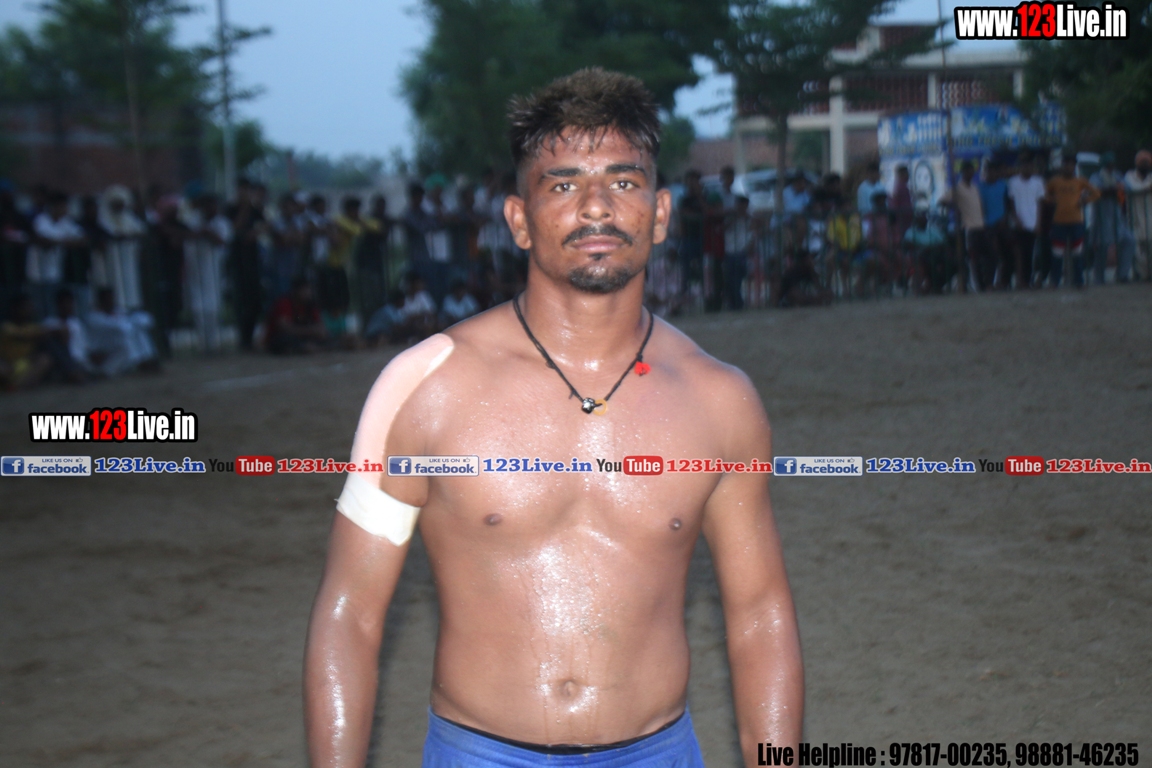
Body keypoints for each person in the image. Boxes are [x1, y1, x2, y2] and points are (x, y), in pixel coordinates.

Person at [304, 67, 802, 768]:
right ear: (519, 220)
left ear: (660, 213)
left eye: (623, 181)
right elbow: (350, 612)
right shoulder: (424, 387)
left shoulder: (720, 400)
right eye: (563, 185)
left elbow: (760, 615)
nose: (596, 207)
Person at [182, 194, 231, 353]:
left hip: (213, 271)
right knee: (198, 308)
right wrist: (200, 231)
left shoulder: (222, 222)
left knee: (213, 308)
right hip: (195, 271)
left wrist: (207, 232)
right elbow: (186, 236)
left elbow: (221, 241)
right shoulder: (193, 220)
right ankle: (202, 342)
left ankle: (213, 342)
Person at [28, 191, 86, 319]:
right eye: (62, 206)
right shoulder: (41, 220)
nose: (65, 209)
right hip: (38, 274)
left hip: (56, 273)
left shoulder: (65, 222)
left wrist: (63, 242)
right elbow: (44, 240)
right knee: (41, 309)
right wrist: (65, 242)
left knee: (54, 308)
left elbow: (82, 238)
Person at [1044, 154, 1100, 288]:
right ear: (1062, 166)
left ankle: (1078, 281)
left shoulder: (1080, 181)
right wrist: (1051, 200)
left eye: (1071, 165)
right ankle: (1055, 281)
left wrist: (1084, 200)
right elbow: (1044, 194)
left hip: (1076, 221)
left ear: (1074, 167)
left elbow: (1096, 193)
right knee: (1057, 253)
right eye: (1066, 164)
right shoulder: (1055, 181)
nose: (1068, 167)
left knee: (1077, 253)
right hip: (1059, 221)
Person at [85, 286, 159, 375]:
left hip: (116, 348)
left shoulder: (117, 311)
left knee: (139, 332)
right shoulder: (94, 317)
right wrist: (126, 320)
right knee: (125, 341)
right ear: (101, 301)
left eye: (112, 298)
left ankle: (146, 359)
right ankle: (137, 364)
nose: (111, 302)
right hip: (102, 351)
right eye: (107, 299)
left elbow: (146, 321)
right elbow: (120, 328)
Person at [939, 160, 987, 292]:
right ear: (962, 172)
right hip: (968, 227)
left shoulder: (975, 188)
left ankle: (984, 284)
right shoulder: (957, 188)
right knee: (972, 257)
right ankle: (975, 285)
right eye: (967, 171)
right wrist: (955, 207)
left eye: (972, 171)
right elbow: (942, 201)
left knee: (983, 256)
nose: (970, 174)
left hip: (981, 226)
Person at [1088, 152, 1135, 284]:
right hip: (1101, 218)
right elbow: (1096, 190)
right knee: (1101, 247)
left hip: (1118, 219)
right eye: (1109, 163)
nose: (1111, 166)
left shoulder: (1117, 175)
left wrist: (1116, 189)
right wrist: (1113, 190)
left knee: (1129, 241)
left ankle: (1122, 275)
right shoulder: (1096, 176)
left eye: (1112, 163)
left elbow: (1128, 188)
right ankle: (1098, 278)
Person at [98, 185, 147, 310]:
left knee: (131, 283)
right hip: (112, 260)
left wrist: (131, 235)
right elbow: (110, 232)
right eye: (116, 204)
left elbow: (140, 230)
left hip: (129, 259)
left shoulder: (128, 217)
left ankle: (132, 307)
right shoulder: (105, 218)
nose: (119, 207)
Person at [1007, 154, 1045, 289]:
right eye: (1024, 165)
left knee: (1029, 253)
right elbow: (1011, 202)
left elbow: (1040, 203)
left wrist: (1038, 223)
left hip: (1032, 223)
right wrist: (1016, 219)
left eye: (1029, 165)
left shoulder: (1038, 182)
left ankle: (1027, 281)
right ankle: (1019, 280)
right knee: (1018, 253)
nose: (1027, 168)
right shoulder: (1013, 182)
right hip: (1018, 225)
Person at [266, 276, 327, 354]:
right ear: (297, 290)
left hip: (302, 338)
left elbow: (320, 325)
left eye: (310, 290)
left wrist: (319, 331)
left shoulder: (310, 305)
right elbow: (284, 328)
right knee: (283, 341)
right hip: (283, 338)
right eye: (305, 290)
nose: (309, 293)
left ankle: (310, 347)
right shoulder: (285, 303)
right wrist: (310, 331)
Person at [978, 160, 1011, 289]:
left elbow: (1007, 204)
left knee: (1008, 252)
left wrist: (1005, 218)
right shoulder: (980, 188)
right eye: (988, 171)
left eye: (993, 171)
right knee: (991, 254)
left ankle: (1003, 281)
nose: (990, 174)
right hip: (987, 226)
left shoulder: (1003, 185)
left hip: (1002, 224)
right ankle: (989, 283)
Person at [1124, 149, 1152, 282]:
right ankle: (1142, 275)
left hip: (1150, 218)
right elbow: (1133, 188)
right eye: (1143, 162)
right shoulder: (1129, 176)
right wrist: (1148, 188)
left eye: (1147, 162)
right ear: (1137, 163)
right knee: (1137, 250)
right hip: (1135, 218)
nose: (1145, 165)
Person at [723, 195, 754, 310]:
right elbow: (725, 228)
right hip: (730, 251)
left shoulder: (749, 218)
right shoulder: (730, 216)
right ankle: (735, 302)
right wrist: (736, 217)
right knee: (731, 279)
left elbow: (754, 230)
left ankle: (737, 303)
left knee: (737, 278)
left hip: (741, 251)